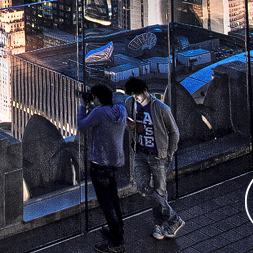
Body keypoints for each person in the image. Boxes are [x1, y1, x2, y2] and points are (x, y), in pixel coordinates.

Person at [125, 77, 184, 240]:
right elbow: (130, 126)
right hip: (140, 153)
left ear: (145, 90)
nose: (135, 97)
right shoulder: (130, 104)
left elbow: (174, 132)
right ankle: (174, 219)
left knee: (160, 191)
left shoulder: (161, 108)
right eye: (132, 94)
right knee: (142, 187)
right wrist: (130, 127)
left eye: (137, 94)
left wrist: (169, 153)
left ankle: (160, 225)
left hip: (158, 155)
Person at [78, 83, 128, 253]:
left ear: (97, 98)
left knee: (106, 204)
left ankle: (117, 242)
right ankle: (118, 230)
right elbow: (107, 115)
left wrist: (83, 106)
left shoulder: (99, 112)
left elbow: (82, 125)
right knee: (114, 199)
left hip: (100, 165)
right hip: (116, 164)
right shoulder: (121, 110)